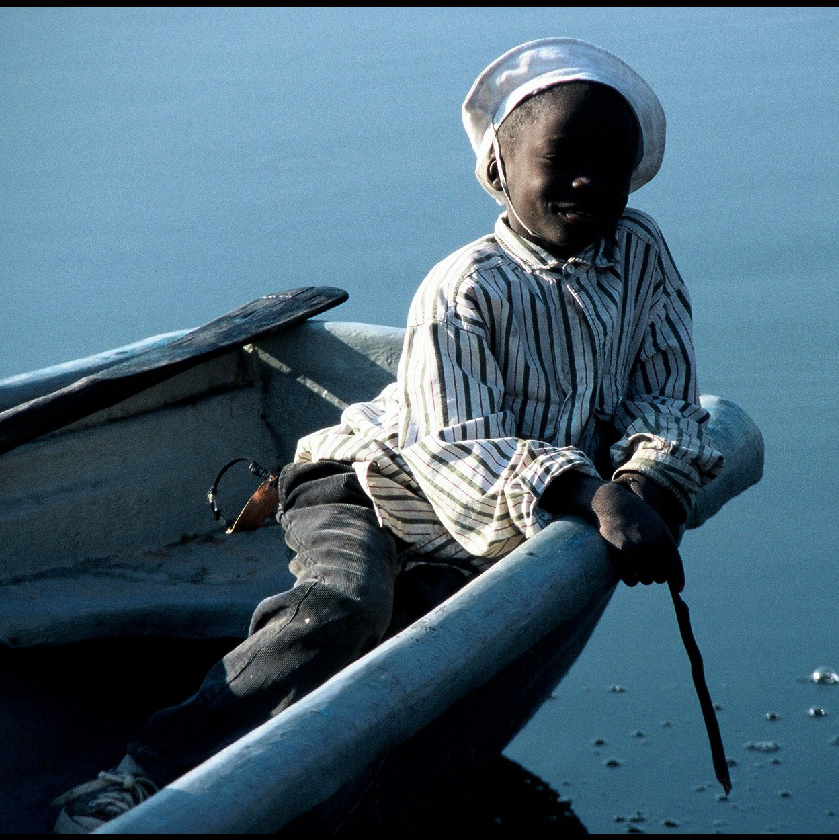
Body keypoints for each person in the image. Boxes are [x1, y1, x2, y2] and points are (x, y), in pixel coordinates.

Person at [52, 36, 724, 833]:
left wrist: (647, 483)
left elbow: (668, 395)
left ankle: (334, 770)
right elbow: (451, 447)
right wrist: (587, 490)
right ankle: (143, 775)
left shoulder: (639, 252)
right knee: (343, 609)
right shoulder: (465, 287)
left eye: (612, 164)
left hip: (479, 521)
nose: (588, 180)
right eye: (563, 159)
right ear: (501, 171)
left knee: (423, 634)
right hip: (372, 486)